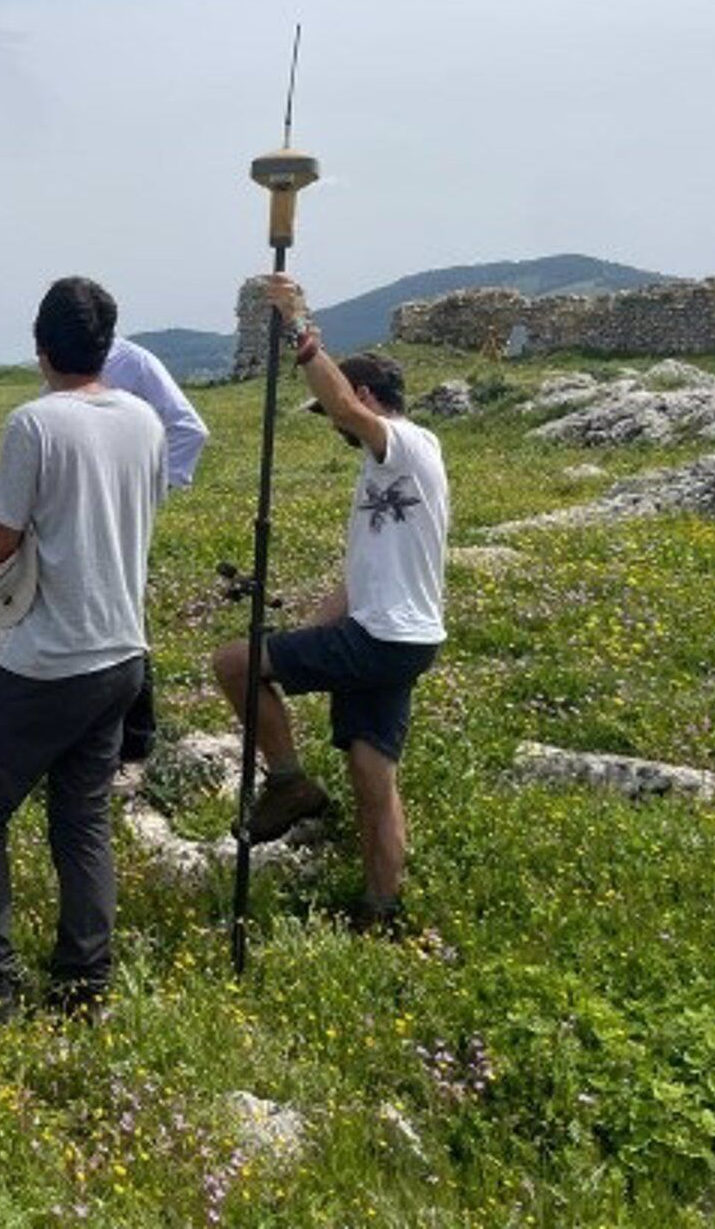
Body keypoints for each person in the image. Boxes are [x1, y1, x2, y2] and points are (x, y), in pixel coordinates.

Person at [0, 277, 166, 1015]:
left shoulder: (35, 425)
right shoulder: (145, 421)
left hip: (46, 659)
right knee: (83, 819)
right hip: (122, 653)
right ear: (107, 346)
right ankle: (83, 983)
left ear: (40, 349)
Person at [210, 273, 450, 933]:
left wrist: (297, 327)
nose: (333, 429)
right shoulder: (383, 471)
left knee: (232, 664)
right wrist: (297, 638)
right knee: (374, 777)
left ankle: (288, 782)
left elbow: (345, 411)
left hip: (384, 637)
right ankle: (382, 909)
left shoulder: (409, 447)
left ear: (368, 398)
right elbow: (360, 576)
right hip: (399, 637)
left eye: (339, 416)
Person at [100, 336, 210, 762]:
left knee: (127, 616)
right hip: (83, 511)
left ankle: (137, 735)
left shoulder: (134, 363)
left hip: (118, 512)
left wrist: (151, 490)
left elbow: (189, 429)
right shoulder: (69, 361)